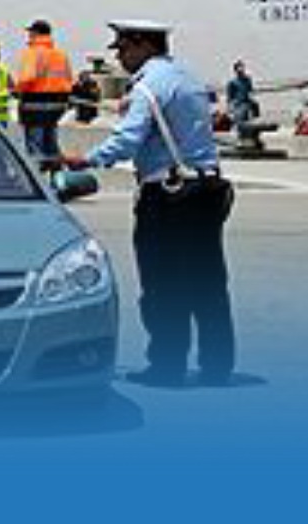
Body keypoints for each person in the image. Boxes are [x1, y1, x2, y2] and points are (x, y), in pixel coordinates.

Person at [60, 20, 236, 388]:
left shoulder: (148, 86)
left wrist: (87, 159)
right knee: (207, 282)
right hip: (207, 189)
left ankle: (167, 366)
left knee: (162, 285)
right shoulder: (188, 77)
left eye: (124, 49)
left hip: (168, 195)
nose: (121, 58)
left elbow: (128, 140)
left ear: (143, 45)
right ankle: (217, 364)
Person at [15, 20, 75, 159]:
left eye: (30, 32)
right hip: (57, 106)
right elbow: (69, 80)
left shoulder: (32, 53)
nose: (29, 35)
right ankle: (56, 169)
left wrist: (18, 90)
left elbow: (27, 78)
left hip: (35, 105)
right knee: (50, 141)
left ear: (36, 33)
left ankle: (38, 170)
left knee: (36, 146)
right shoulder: (60, 54)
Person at [226, 60, 259, 129]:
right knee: (241, 113)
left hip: (247, 101)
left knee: (255, 105)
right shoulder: (232, 82)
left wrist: (251, 98)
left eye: (242, 68)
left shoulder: (247, 80)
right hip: (238, 103)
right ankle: (238, 125)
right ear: (235, 71)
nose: (241, 71)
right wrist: (230, 107)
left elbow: (250, 91)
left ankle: (254, 122)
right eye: (239, 69)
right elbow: (229, 97)